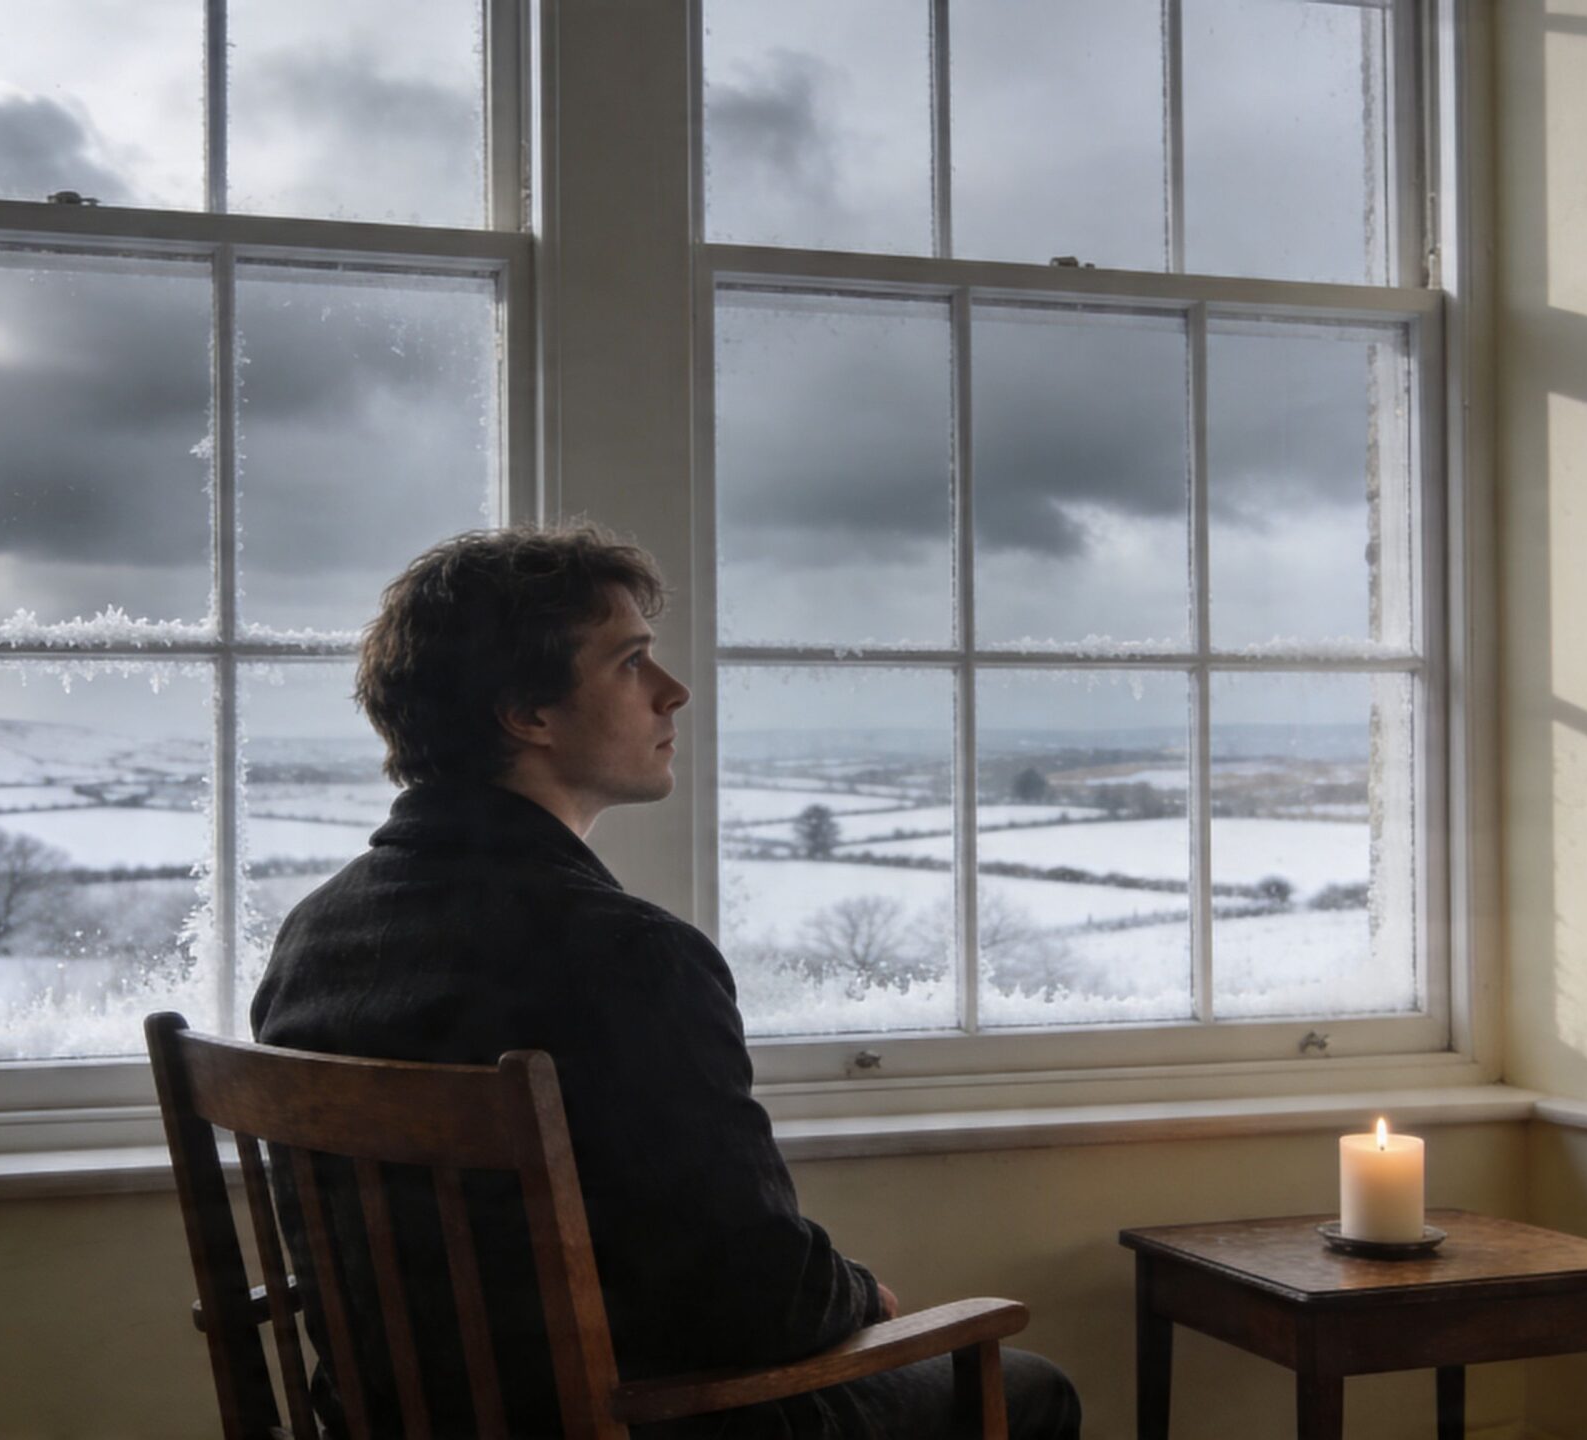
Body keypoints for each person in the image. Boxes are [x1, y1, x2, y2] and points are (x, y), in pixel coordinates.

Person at [250, 524, 1081, 1440]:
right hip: (630, 1419)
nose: (673, 692)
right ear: (527, 712)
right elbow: (761, 1298)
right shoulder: (625, 955)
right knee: (1029, 1386)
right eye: (632, 662)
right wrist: (864, 1297)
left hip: (375, 1421)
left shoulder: (314, 936)